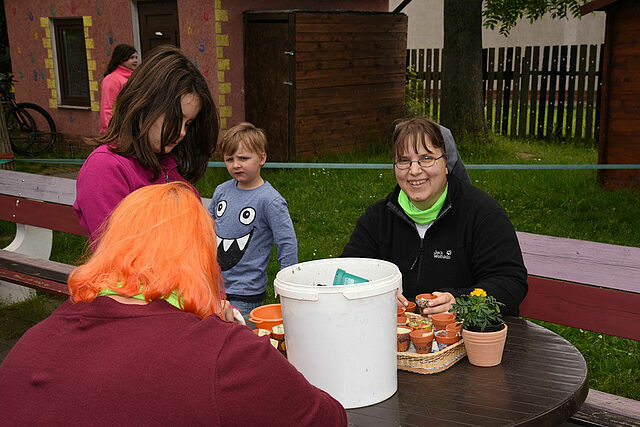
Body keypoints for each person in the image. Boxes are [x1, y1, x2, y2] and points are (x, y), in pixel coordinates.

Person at [0, 183, 347, 426]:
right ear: (200, 257)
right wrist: (243, 340)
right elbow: (327, 419)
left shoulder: (31, 341)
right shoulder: (227, 355)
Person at [341, 117, 527, 316]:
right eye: (404, 160)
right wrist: (375, 294)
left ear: (447, 163)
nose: (414, 170)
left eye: (426, 158)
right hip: (393, 336)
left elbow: (511, 282)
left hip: (469, 337)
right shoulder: (378, 217)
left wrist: (460, 301)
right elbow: (347, 274)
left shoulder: (482, 214)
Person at [75, 45, 219, 242]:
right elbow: (119, 255)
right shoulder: (105, 168)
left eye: (189, 123)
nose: (182, 132)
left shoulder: (170, 169)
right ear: (144, 104)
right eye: (176, 119)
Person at [208, 122, 298, 319]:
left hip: (246, 291)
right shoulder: (221, 191)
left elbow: (287, 242)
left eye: (243, 158)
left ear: (262, 158)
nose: (236, 164)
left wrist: (288, 284)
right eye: (229, 159)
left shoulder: (270, 200)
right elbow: (207, 227)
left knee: (240, 337)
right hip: (213, 286)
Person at [99, 44, 138, 134]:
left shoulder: (134, 78)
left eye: (136, 57)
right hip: (117, 131)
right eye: (131, 57)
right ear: (121, 59)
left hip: (132, 128)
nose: (135, 60)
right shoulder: (112, 79)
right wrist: (108, 132)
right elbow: (107, 108)